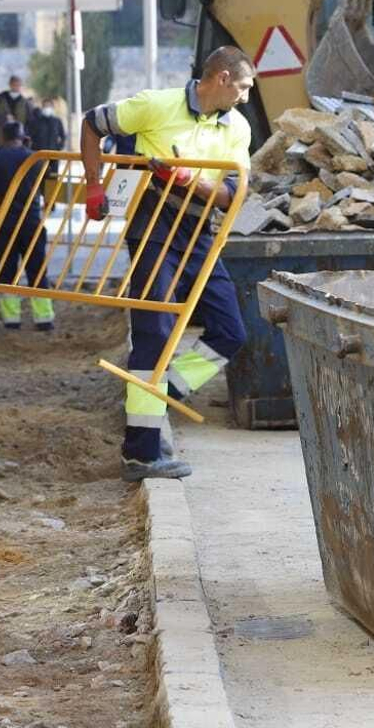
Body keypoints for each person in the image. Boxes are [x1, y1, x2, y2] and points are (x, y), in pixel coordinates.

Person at [79, 46, 253, 482]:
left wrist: (185, 179)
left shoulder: (237, 127)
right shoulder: (156, 105)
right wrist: (94, 186)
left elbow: (234, 194)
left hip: (198, 235)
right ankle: (140, 454)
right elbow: (91, 124)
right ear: (224, 78)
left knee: (230, 331)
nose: (248, 97)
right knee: (153, 334)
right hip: (153, 229)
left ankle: (164, 389)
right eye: (245, 86)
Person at [0, 121, 56, 331]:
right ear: (23, 137)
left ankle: (11, 320)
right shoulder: (35, 158)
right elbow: (50, 177)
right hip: (31, 220)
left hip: (6, 222)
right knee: (37, 268)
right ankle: (43, 318)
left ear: (3, 138)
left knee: (7, 269)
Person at [0, 75, 32, 149]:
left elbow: (30, 121)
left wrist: (26, 136)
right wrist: (4, 118)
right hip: (1, 140)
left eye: (18, 85)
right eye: (14, 85)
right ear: (10, 84)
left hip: (19, 141)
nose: (16, 87)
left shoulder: (25, 102)